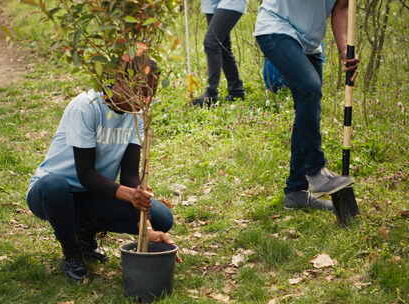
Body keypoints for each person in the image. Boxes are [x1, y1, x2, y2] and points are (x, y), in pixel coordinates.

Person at [26, 58, 175, 281]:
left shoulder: (137, 115)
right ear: (119, 82)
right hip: (51, 195)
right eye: (140, 92)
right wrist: (129, 195)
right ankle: (72, 254)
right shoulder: (86, 106)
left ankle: (85, 233)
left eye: (150, 93)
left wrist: (146, 226)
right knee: (54, 185)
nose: (145, 100)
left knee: (162, 216)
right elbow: (85, 174)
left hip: (94, 194)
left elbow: (130, 175)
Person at [254, 0, 359, 210]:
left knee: (308, 106)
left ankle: (296, 192)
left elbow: (341, 8)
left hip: (309, 42)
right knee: (310, 89)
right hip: (276, 27)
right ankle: (315, 170)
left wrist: (344, 50)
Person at [192, 0, 247, 107]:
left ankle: (211, 94)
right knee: (222, 45)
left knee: (211, 42)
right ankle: (236, 91)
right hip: (210, 3)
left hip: (230, 2)